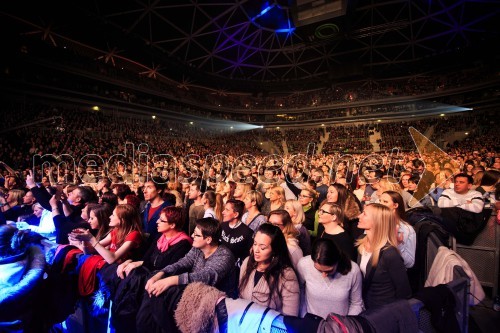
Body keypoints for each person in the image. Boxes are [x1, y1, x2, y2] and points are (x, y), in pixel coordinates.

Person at [137, 217, 236, 332]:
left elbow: (205, 277)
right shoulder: (197, 248)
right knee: (155, 289)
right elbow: (181, 263)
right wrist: (161, 273)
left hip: (214, 303)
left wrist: (170, 280)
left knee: (163, 295)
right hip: (194, 293)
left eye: (196, 235)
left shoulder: (224, 256)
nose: (192, 236)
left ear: (208, 239)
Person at [107, 207, 192, 333]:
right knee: (128, 278)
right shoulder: (160, 237)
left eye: (161, 220)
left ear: (173, 225)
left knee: (134, 283)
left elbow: (169, 269)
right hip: (148, 278)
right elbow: (147, 258)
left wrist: (140, 265)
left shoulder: (183, 244)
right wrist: (130, 261)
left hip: (162, 286)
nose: (157, 221)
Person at [356, 203, 411, 309]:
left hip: (383, 313)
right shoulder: (362, 242)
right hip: (366, 309)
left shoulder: (390, 254)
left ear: (377, 222)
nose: (359, 216)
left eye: (364, 214)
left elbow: (404, 292)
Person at [239, 223, 300, 316]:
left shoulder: (286, 274)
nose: (256, 250)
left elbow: (290, 315)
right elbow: (240, 297)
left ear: (274, 250)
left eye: (262, 247)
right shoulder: (247, 263)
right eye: (255, 244)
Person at [296, 238, 364, 318]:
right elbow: (300, 291)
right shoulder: (303, 264)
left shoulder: (353, 270)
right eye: (319, 270)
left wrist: (346, 325)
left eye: (329, 271)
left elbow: (357, 304)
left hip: (340, 327)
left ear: (337, 261)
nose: (324, 275)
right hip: (312, 323)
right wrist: (304, 316)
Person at [70, 204, 143, 264]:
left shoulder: (133, 234)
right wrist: (84, 239)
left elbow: (112, 259)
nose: (110, 217)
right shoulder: (115, 231)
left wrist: (91, 239)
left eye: (113, 215)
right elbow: (89, 252)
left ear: (122, 220)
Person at [379, 191, 416, 268]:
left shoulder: (406, 229)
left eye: (385, 202)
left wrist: (398, 246)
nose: (380, 204)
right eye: (380, 201)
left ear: (395, 205)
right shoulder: (375, 223)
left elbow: (410, 263)